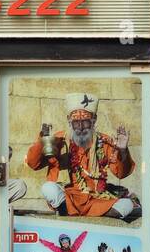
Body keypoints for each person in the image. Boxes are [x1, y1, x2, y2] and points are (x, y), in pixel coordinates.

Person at [24, 92, 140, 220]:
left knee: (127, 205)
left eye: (85, 122)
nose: (80, 127)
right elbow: (33, 164)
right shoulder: (59, 140)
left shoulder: (104, 141)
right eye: (76, 123)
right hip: (68, 198)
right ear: (69, 120)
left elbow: (121, 173)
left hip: (96, 199)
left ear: (94, 120)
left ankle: (78, 215)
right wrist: (43, 141)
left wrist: (122, 150)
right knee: (48, 188)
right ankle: (71, 214)